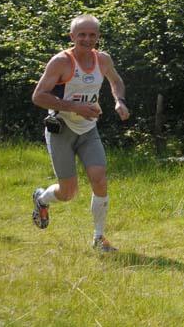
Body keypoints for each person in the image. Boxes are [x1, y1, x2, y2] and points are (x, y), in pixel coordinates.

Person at [29, 14, 130, 252]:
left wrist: (119, 101)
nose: (87, 39)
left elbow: (116, 81)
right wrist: (76, 107)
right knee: (68, 192)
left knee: (99, 177)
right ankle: (42, 199)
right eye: (82, 34)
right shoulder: (61, 62)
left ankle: (98, 238)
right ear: (72, 36)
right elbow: (38, 96)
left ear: (98, 37)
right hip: (61, 129)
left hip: (88, 129)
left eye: (92, 34)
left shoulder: (102, 59)